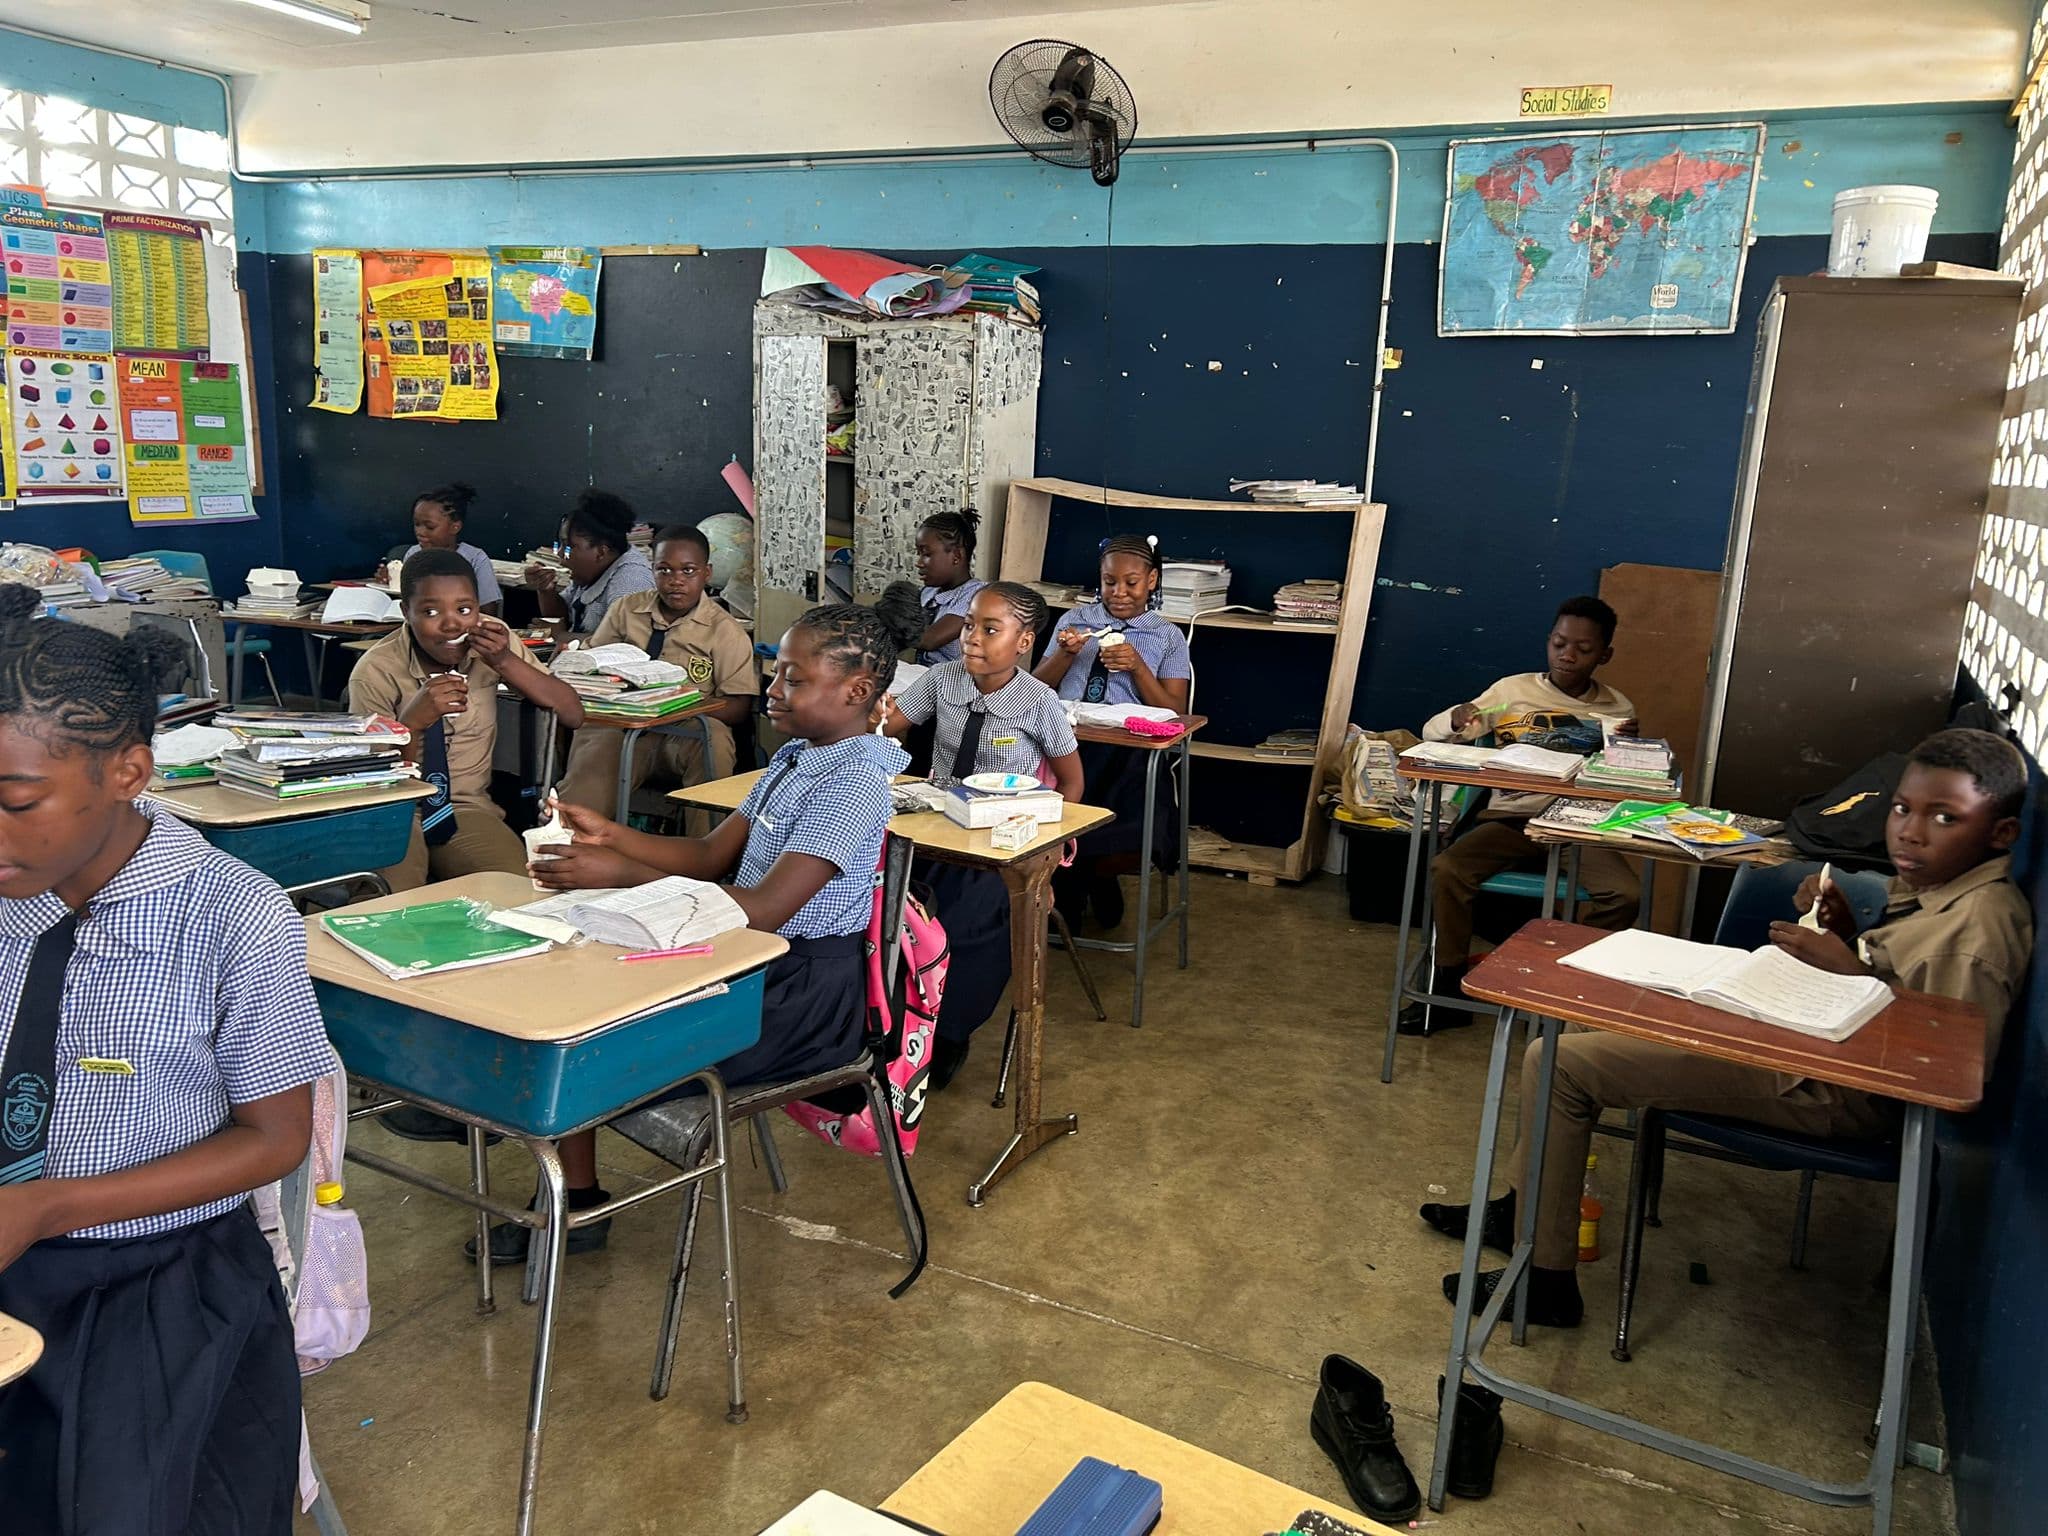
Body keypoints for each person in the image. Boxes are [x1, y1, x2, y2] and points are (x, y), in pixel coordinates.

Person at [1418, 727, 2034, 1328]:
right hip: (1804, 1042)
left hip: (1829, 1088)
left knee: (1557, 1065)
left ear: (2002, 833)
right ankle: (1525, 1212)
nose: (1911, 831)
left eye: (1945, 818)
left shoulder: (1975, 933)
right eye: (1902, 808)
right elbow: (1894, 982)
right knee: (1574, 1036)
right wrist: (1844, 937)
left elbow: (1936, 1080)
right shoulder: (1936, 891)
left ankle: (1546, 1284)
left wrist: (1846, 974)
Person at [0, 584, 338, 1533]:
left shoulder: (234, 916)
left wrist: (47, 1205)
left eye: (18, 802)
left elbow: (274, 1139)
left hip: (156, 1277)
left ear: (129, 772)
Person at [470, 604, 910, 1262]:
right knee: (582, 997)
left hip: (800, 996)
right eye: (776, 673)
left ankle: (566, 1193)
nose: (773, 690)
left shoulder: (854, 786)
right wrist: (612, 834)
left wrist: (620, 874)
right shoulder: (795, 758)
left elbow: (762, 909)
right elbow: (708, 857)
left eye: (794, 679)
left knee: (591, 1043)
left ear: (856, 691)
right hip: (749, 962)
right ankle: (576, 1192)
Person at [1400, 595, 1640, 1034]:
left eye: (1583, 649)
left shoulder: (1617, 709)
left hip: (1579, 824)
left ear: (1604, 655)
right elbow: (1442, 735)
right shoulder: (1512, 692)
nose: (1567, 655)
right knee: (1448, 868)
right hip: (1515, 820)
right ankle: (1449, 989)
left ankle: (1568, 987)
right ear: (1548, 641)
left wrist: (1629, 752)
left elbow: (1624, 779)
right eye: (1558, 643)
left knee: (1623, 894)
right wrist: (1456, 718)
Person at [886, 582, 1084, 1090]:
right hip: (937, 827)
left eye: (990, 629)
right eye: (970, 624)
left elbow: (1073, 781)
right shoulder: (942, 679)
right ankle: (891, 1018)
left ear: (1024, 642)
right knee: (888, 902)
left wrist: (1050, 844)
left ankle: (949, 1030)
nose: (973, 637)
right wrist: (875, 714)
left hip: (1003, 841)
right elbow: (894, 726)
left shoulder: (1039, 702)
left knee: (970, 920)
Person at [347, 549, 586, 891]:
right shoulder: (375, 672)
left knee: (518, 891)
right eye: (430, 612)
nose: (451, 624)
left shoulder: (492, 641)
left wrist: (504, 661)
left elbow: (572, 714)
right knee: (391, 896)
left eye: (464, 610)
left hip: (466, 808)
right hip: (393, 811)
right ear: (405, 613)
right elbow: (368, 782)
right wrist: (411, 724)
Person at [1035, 533, 1192, 929]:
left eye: (1131, 583)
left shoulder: (1167, 636)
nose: (1119, 592)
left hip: (1130, 751)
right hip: (1068, 742)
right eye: (1109, 582)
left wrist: (1138, 667)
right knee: (1061, 799)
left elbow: (1175, 713)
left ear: (1152, 581)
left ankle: (1095, 874)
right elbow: (1035, 686)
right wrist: (1065, 654)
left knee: (1126, 808)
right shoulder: (1075, 622)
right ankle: (1073, 878)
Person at [555, 524, 758, 814]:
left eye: (688, 571)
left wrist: (678, 704)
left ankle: (705, 849)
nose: (676, 581)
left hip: (683, 734)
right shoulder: (627, 610)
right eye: (664, 570)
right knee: (595, 735)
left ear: (707, 573)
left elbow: (738, 708)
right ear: (653, 570)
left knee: (715, 738)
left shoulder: (724, 631)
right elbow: (594, 660)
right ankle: (568, 833)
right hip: (626, 725)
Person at [524, 488, 655, 640]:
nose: (560, 554)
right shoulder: (589, 573)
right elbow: (563, 620)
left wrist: (561, 636)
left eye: (568, 546)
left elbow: (625, 644)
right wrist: (546, 591)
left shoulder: (631, 581)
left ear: (600, 552)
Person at [379, 481, 502, 614]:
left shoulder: (475, 559)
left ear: (455, 527)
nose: (420, 532)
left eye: (430, 527)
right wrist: (392, 580)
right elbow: (408, 599)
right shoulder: (414, 554)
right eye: (417, 524)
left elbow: (488, 610)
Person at [913, 509, 988, 665]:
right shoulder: (928, 592)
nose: (919, 562)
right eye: (918, 554)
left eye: (926, 554)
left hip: (953, 684)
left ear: (956, 556)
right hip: (923, 675)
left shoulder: (977, 595)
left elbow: (929, 640)